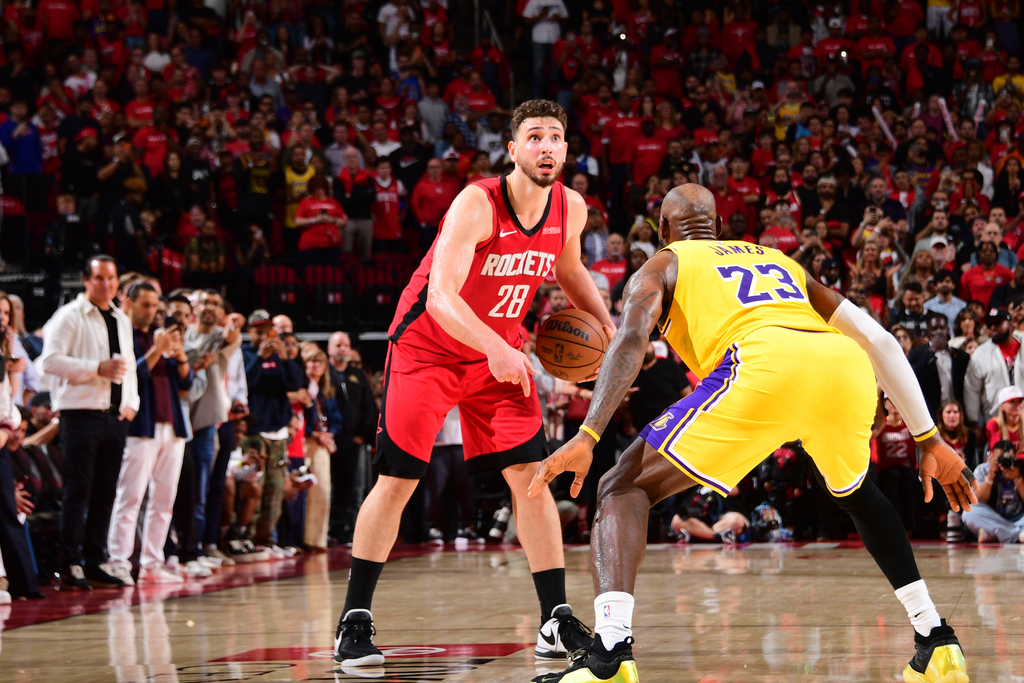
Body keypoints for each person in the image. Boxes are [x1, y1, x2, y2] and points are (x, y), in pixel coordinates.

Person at [529, 184, 975, 683]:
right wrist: (929, 438)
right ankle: (934, 638)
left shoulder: (662, 264)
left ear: (663, 230)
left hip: (761, 366)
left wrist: (588, 433)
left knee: (621, 486)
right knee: (857, 494)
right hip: (842, 365)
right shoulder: (778, 260)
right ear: (719, 229)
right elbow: (879, 339)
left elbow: (632, 336)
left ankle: (610, 655)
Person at [333, 100, 614, 668]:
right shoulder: (476, 203)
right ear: (512, 150)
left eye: (554, 137)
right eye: (533, 136)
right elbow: (440, 296)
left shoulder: (571, 207)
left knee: (532, 478)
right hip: (428, 351)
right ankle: (353, 621)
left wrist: (608, 328)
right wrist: (497, 347)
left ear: (565, 150)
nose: (545, 146)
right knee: (397, 480)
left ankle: (554, 619)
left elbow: (568, 269)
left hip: (497, 358)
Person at [41, 255, 140, 590]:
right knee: (78, 489)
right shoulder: (70, 315)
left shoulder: (120, 317)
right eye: (99, 278)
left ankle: (96, 558)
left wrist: (132, 403)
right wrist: (95, 368)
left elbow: (129, 366)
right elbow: (49, 362)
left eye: (111, 278)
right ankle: (71, 562)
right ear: (86, 280)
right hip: (80, 414)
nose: (106, 284)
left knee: (106, 491)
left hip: (115, 416)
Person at [106, 283, 194, 585]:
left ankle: (152, 563)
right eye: (146, 305)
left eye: (155, 306)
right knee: (130, 497)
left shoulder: (161, 336)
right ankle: (118, 561)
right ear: (129, 303)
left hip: (172, 426)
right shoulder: (124, 335)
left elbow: (186, 383)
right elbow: (134, 375)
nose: (152, 311)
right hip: (141, 427)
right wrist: (158, 349)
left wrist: (179, 353)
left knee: (164, 500)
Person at [240, 310, 304, 549]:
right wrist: (260, 357)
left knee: (276, 491)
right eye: (259, 331)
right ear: (250, 332)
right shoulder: (244, 354)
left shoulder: (281, 357)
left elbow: (296, 384)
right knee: (253, 489)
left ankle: (265, 540)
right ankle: (245, 537)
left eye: (268, 332)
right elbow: (245, 383)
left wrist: (285, 359)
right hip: (254, 433)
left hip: (278, 433)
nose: (264, 336)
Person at [326, 331, 377, 544]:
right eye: (338, 345)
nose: (343, 349)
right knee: (330, 487)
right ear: (329, 349)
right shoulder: (325, 373)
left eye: (346, 345)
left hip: (353, 441)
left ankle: (349, 530)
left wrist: (362, 435)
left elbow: (369, 407)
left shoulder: (357, 375)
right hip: (329, 441)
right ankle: (330, 530)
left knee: (353, 488)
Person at [964, 307, 1024, 431]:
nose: (993, 328)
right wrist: (974, 421)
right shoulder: (980, 354)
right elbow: (971, 391)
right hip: (995, 422)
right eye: (990, 324)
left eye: (998, 323)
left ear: (1011, 324)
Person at [909, 314, 970, 420]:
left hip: (955, 414)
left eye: (942, 328)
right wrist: (932, 350)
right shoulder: (917, 354)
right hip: (930, 413)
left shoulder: (961, 356)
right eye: (934, 329)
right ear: (928, 331)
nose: (939, 332)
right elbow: (914, 378)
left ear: (947, 330)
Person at [961, 440, 1024, 543]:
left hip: (1019, 518)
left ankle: (996, 535)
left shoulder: (1020, 469)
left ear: (1015, 458)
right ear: (992, 457)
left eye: (1009, 459)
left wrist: (1018, 478)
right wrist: (990, 476)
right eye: (1000, 459)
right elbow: (977, 500)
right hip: (993, 517)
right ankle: (1017, 535)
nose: (1003, 464)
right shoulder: (982, 470)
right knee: (969, 512)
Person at [985, 385, 1023, 451]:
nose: (1017, 405)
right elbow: (996, 452)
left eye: (1019, 401)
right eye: (1012, 401)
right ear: (1002, 406)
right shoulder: (994, 423)